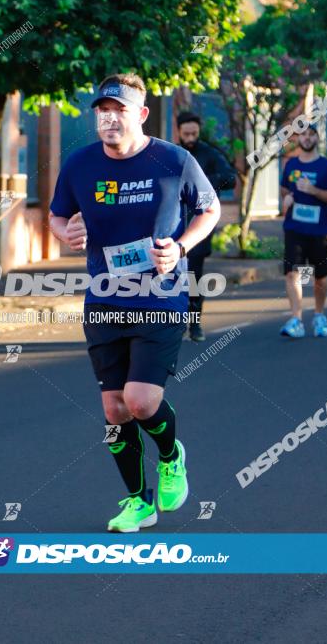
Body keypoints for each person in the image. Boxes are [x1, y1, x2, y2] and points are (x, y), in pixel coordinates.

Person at [49, 73, 220, 532]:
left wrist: (181, 247)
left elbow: (209, 209)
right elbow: (57, 214)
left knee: (141, 402)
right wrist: (66, 233)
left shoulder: (174, 160)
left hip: (159, 298)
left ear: (140, 114)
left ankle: (171, 455)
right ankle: (137, 502)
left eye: (119, 110)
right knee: (114, 411)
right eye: (102, 111)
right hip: (104, 298)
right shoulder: (80, 165)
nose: (109, 118)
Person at [177, 112, 236, 341]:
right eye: (186, 133)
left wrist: (202, 181)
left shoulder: (210, 154)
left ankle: (195, 323)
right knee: (172, 276)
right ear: (179, 132)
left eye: (194, 133)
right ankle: (175, 322)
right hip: (174, 224)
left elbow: (230, 178)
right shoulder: (174, 153)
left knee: (194, 275)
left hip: (199, 223)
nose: (190, 137)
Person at [279, 124, 327, 338]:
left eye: (311, 135)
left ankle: (319, 315)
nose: (307, 138)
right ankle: (296, 319)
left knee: (319, 276)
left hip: (320, 230)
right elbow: (284, 189)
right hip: (294, 228)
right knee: (293, 272)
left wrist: (313, 191)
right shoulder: (291, 164)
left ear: (317, 138)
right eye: (303, 135)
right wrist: (287, 197)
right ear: (298, 139)